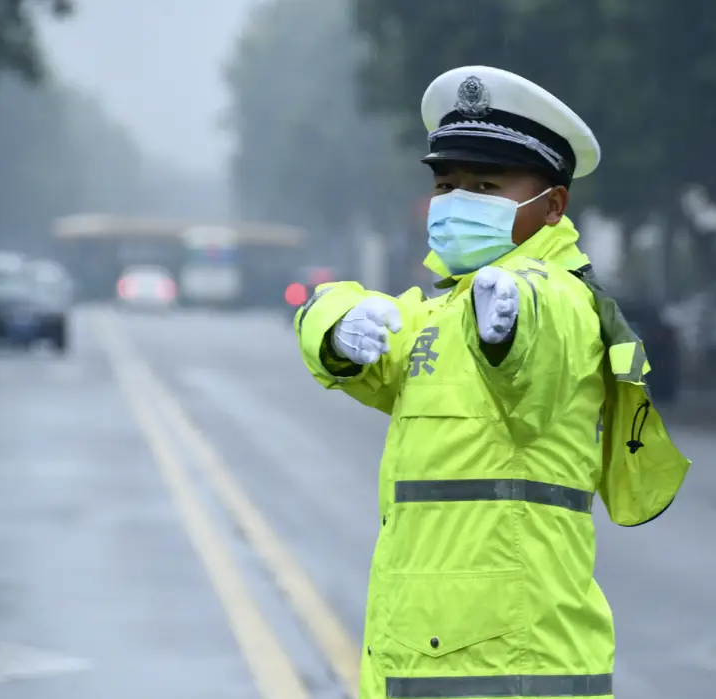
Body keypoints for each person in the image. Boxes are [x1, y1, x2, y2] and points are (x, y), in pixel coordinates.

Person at [294, 65, 690, 699]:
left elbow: (541, 340)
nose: (456, 202)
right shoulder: (444, 312)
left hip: (512, 669)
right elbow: (357, 328)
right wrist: (336, 327)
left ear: (552, 205)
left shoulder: (559, 299)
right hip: (422, 661)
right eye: (447, 184)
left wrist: (509, 326)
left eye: (486, 185)